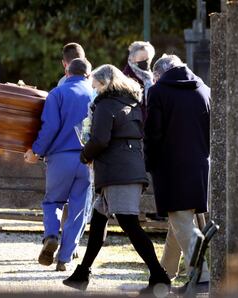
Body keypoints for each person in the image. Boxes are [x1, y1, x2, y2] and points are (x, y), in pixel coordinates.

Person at [63, 64, 171, 294]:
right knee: (99, 221)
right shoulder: (129, 102)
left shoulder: (105, 105)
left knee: (129, 224)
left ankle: (159, 277)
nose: (94, 90)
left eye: (96, 86)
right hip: (126, 168)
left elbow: (100, 139)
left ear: (105, 84)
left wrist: (84, 154)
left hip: (117, 172)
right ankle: (82, 273)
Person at [144, 54, 210, 291]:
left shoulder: (159, 92)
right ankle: (163, 275)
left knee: (182, 221)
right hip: (201, 164)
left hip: (171, 167)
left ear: (159, 74)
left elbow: (153, 134)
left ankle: (201, 276)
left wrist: (149, 164)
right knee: (180, 219)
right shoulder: (204, 89)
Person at [24, 58, 93, 272]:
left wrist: (37, 151)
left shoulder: (57, 93)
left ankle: (51, 236)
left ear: (68, 73)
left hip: (60, 157)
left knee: (53, 202)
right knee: (78, 209)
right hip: (88, 160)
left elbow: (50, 126)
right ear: (88, 75)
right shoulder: (96, 94)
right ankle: (65, 258)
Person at [123, 41, 155, 121]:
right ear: (131, 58)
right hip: (136, 123)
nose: (146, 61)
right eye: (142, 59)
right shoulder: (126, 78)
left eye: (148, 59)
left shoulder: (152, 76)